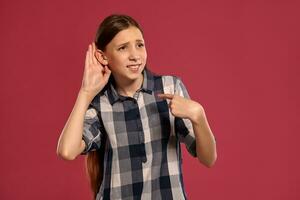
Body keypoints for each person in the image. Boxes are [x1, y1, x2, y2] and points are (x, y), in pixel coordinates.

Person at [56, 14, 217, 200]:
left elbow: (208, 159)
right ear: (103, 56)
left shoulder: (170, 88)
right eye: (123, 48)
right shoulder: (101, 103)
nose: (134, 56)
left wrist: (199, 115)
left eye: (139, 45)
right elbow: (67, 151)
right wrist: (85, 92)